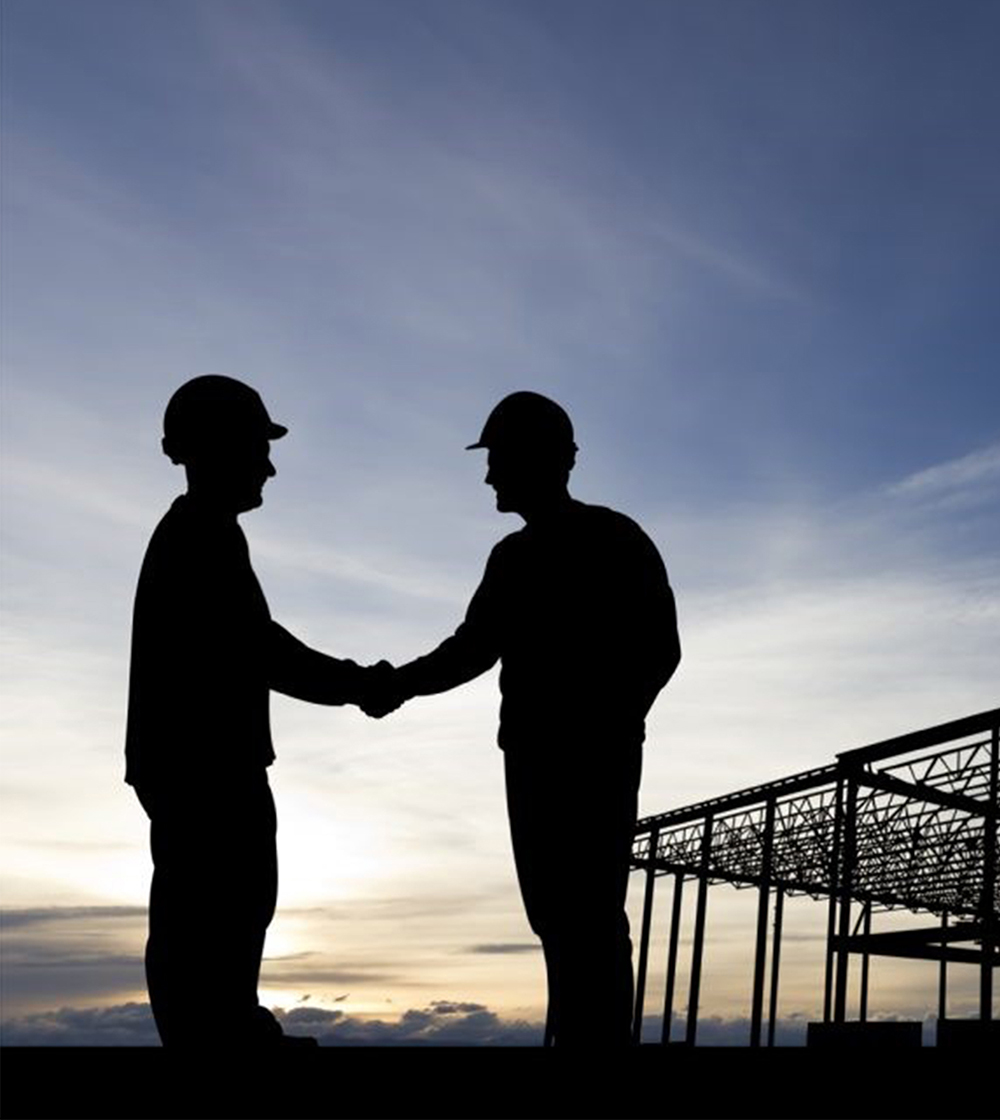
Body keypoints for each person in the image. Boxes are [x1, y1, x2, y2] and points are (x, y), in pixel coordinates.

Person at [367, 391, 681, 1047]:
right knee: (559, 913)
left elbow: (659, 648)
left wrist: (607, 723)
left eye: (498, 459)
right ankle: (577, 1042)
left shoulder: (611, 538)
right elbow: (473, 650)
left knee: (587, 912)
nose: (488, 476)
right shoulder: (516, 557)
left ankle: (592, 1050)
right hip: (538, 757)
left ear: (541, 459)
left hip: (585, 757)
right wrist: (399, 683)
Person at [125, 375, 391, 1048]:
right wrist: (359, 684)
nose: (268, 464)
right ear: (216, 448)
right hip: (207, 768)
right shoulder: (199, 539)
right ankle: (218, 1045)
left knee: (221, 907)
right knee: (218, 907)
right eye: (256, 446)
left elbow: (257, 649)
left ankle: (224, 1031)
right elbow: (263, 652)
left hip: (197, 765)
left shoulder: (202, 535)